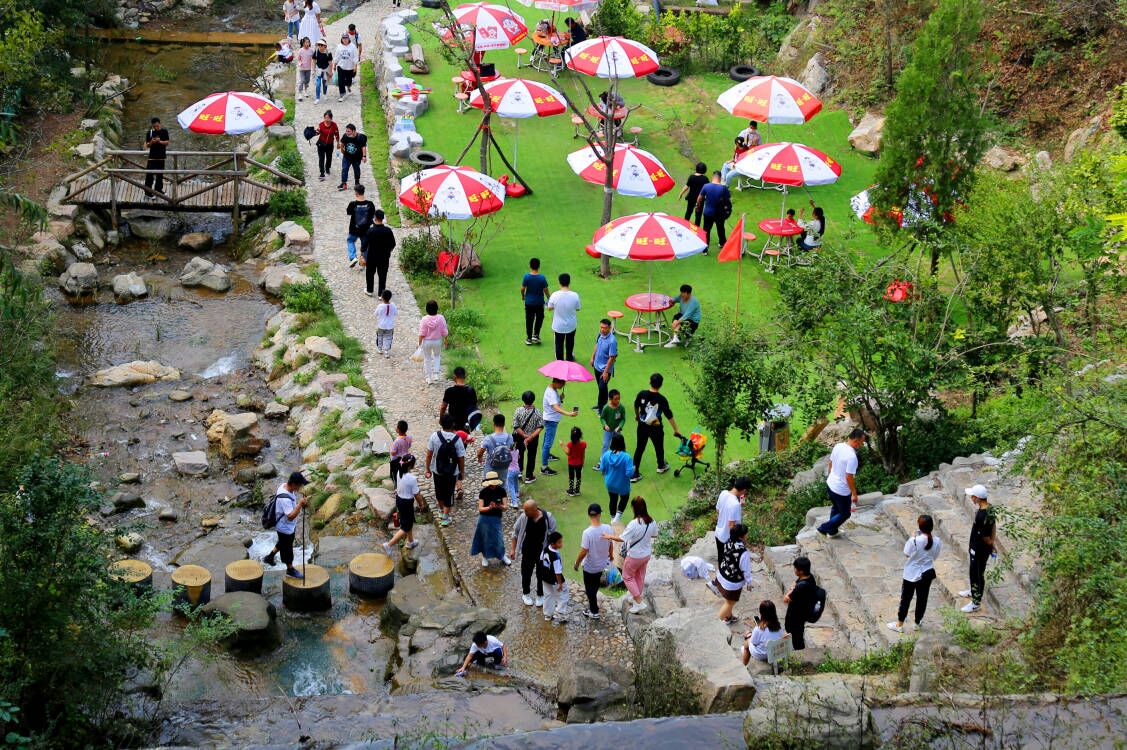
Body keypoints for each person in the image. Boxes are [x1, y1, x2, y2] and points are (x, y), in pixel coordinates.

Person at [603, 497, 658, 613]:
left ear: (634, 508)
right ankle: (636, 596)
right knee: (639, 575)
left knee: (627, 576)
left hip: (634, 555)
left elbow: (621, 538)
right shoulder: (652, 521)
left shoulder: (633, 524)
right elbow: (654, 535)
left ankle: (638, 602)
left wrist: (608, 536)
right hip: (646, 554)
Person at [888, 514, 942, 633]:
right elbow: (935, 556)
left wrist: (912, 538)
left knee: (906, 599)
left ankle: (899, 624)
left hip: (911, 574)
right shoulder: (937, 541)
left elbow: (907, 553)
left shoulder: (915, 541)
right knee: (922, 599)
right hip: (927, 573)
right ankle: (917, 623)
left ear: (920, 527)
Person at [631, 373, 680, 482]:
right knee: (659, 447)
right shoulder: (662, 399)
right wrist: (676, 430)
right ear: (661, 384)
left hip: (642, 426)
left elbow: (636, 405)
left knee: (639, 448)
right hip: (656, 428)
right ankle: (661, 466)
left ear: (650, 382)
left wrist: (637, 416)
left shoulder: (642, 394)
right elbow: (669, 415)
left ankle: (634, 473)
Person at [817, 428, 864, 537]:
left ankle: (832, 532)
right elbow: (849, 477)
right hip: (841, 490)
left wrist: (830, 477)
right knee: (845, 513)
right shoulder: (852, 457)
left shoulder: (838, 446)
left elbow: (830, 463)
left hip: (831, 484)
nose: (861, 444)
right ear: (856, 441)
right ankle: (823, 528)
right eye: (861, 442)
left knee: (836, 508)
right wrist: (854, 493)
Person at [263, 471, 310, 579]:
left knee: (283, 542)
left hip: (285, 526)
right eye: (299, 485)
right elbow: (290, 516)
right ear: (293, 484)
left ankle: (269, 557)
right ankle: (290, 569)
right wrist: (300, 504)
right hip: (285, 528)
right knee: (287, 549)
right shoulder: (285, 499)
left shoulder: (284, 486)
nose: (300, 487)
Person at [511, 500, 557, 606]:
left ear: (534, 510)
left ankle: (540, 595)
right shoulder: (524, 517)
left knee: (541, 574)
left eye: (526, 510)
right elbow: (515, 532)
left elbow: (554, 535)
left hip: (542, 551)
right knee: (526, 573)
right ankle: (525, 593)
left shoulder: (548, 517)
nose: (524, 512)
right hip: (527, 550)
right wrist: (513, 549)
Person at [573, 503, 614, 619]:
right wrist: (610, 556)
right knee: (595, 587)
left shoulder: (587, 533)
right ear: (600, 514)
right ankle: (592, 606)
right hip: (602, 565)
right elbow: (610, 544)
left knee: (589, 588)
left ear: (589, 515)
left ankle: (594, 611)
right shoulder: (607, 528)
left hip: (590, 567)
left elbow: (583, 551)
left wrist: (576, 563)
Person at [706, 523, 753, 624]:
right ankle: (716, 625)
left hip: (723, 574)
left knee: (728, 600)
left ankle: (728, 617)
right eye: (746, 533)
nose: (747, 535)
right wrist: (749, 583)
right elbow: (746, 570)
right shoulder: (743, 552)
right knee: (730, 603)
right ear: (742, 536)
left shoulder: (728, 541)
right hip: (732, 582)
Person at [959, 484, 995, 613]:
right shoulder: (990, 509)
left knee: (976, 574)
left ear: (978, 498)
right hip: (982, 548)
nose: (971, 499)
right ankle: (973, 591)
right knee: (978, 571)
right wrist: (993, 543)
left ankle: (975, 602)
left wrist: (990, 543)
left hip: (979, 549)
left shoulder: (982, 515)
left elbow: (985, 536)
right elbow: (993, 527)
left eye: (973, 497)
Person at [425, 413, 465, 526]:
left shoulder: (434, 436)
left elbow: (429, 454)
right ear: (453, 424)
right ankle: (446, 517)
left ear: (441, 423)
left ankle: (441, 511)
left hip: (437, 470)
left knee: (439, 491)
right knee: (449, 492)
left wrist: (427, 468)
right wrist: (462, 472)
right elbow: (461, 458)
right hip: (452, 472)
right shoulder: (457, 439)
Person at [383, 454, 424, 555]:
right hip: (407, 503)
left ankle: (410, 542)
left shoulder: (399, 472)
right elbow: (417, 494)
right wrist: (421, 504)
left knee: (407, 523)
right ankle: (389, 545)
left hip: (399, 500)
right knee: (405, 527)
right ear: (411, 465)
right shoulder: (412, 478)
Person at [471, 472, 511, 567]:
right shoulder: (483, 492)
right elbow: (480, 508)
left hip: (496, 518)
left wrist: (499, 506)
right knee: (485, 538)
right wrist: (489, 507)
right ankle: (485, 557)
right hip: (484, 518)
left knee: (498, 538)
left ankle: (502, 555)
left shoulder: (502, 491)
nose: (493, 486)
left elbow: (505, 507)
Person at [540, 377, 578, 476]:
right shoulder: (551, 392)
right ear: (557, 382)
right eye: (562, 384)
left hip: (550, 419)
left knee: (546, 441)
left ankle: (547, 455)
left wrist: (560, 399)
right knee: (548, 443)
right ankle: (544, 467)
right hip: (551, 420)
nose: (563, 386)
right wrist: (569, 414)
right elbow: (555, 407)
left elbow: (554, 403)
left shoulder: (553, 389)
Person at [783, 556, 817, 650]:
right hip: (803, 612)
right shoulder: (810, 577)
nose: (794, 570)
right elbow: (795, 583)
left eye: (795, 568)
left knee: (795, 636)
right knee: (798, 633)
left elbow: (785, 599)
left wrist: (791, 589)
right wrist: (793, 587)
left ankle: (799, 653)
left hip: (796, 615)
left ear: (801, 571)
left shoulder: (801, 586)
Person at [714, 476, 751, 561]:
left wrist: (742, 499)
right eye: (746, 491)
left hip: (718, 533)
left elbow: (718, 510)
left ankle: (721, 573)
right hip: (727, 539)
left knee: (721, 559)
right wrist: (740, 539)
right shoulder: (735, 504)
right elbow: (731, 526)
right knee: (729, 564)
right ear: (744, 490)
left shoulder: (723, 493)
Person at [600, 432, 634, 522]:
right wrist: (634, 468)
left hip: (610, 483)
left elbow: (602, 468)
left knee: (613, 499)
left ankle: (612, 518)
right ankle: (618, 516)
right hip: (622, 484)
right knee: (625, 497)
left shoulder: (606, 454)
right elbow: (629, 473)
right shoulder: (627, 457)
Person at [547, 273, 581, 361]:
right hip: (571, 325)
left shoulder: (554, 295)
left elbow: (549, 308)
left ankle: (559, 362)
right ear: (569, 282)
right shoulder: (575, 295)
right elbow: (578, 308)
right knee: (570, 343)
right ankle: (569, 359)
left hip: (558, 326)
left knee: (558, 344)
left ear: (559, 282)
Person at [512, 390, 543, 484]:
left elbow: (516, 426)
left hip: (520, 437)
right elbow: (540, 427)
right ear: (533, 400)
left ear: (523, 399)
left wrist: (524, 435)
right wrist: (530, 437)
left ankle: (519, 472)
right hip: (533, 438)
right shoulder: (537, 412)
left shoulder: (518, 411)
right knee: (531, 456)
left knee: (519, 453)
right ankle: (529, 476)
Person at [696, 171, 732, 250]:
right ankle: (722, 243)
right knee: (721, 229)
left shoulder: (706, 186)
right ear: (720, 178)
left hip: (708, 212)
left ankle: (705, 249)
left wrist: (697, 206)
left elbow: (699, 198)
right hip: (719, 213)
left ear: (713, 177)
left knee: (706, 230)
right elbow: (728, 201)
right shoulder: (724, 188)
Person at [742, 600, 786, 665]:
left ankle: (744, 664)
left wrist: (749, 636)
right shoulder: (778, 626)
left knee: (746, 643)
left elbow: (754, 643)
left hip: (761, 655)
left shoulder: (758, 629)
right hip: (774, 652)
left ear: (761, 614)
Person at [365, 210, 395, 298]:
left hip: (372, 257)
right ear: (383, 218)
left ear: (375, 218)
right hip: (384, 257)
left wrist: (363, 252)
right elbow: (393, 244)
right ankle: (381, 293)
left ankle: (369, 290)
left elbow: (365, 244)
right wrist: (388, 251)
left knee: (370, 273)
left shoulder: (370, 231)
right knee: (382, 275)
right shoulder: (388, 231)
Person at [539, 531, 568, 623]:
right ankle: (560, 613)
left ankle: (548, 615)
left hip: (545, 577)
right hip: (555, 580)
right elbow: (558, 571)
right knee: (563, 596)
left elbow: (540, 560)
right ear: (553, 543)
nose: (561, 544)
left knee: (548, 595)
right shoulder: (555, 556)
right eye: (559, 542)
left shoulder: (545, 549)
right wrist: (560, 583)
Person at [417, 300, 448, 385]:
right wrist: (445, 340)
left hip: (427, 341)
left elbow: (422, 333)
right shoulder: (441, 318)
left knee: (427, 359)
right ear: (437, 308)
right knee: (437, 356)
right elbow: (444, 330)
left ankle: (428, 378)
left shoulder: (424, 319)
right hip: (437, 341)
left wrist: (419, 343)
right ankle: (436, 374)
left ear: (426, 309)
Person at [590, 318, 617, 412]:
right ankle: (600, 404)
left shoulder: (612, 341)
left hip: (605, 369)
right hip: (597, 366)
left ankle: (602, 408)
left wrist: (605, 372)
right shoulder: (600, 335)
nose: (602, 329)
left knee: (602, 387)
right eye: (601, 327)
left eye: (605, 328)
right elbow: (596, 345)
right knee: (601, 388)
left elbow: (612, 357)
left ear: (609, 328)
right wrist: (592, 358)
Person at [441, 367, 481, 433]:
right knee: (463, 442)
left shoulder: (449, 391)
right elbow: (474, 408)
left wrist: (441, 419)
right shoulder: (471, 391)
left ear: (454, 376)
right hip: (466, 424)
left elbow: (443, 407)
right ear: (465, 376)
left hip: (452, 424)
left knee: (452, 441)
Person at [520, 257, 550, 346]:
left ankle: (529, 338)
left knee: (529, 319)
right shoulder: (542, 278)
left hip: (529, 303)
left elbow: (522, 288)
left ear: (530, 266)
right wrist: (549, 298)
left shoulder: (527, 277)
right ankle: (536, 335)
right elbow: (546, 290)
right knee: (539, 318)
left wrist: (523, 296)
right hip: (539, 302)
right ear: (539, 266)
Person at [345, 183, 375, 268]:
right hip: (365, 229)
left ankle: (353, 257)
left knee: (350, 241)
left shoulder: (353, 204)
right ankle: (364, 261)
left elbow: (348, 212)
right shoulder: (370, 204)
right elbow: (372, 215)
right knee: (365, 245)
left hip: (354, 228)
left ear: (356, 193)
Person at [477, 413, 515, 481]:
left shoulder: (488, 438)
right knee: (502, 487)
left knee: (489, 487)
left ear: (494, 424)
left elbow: (480, 452)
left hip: (491, 469)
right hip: (504, 469)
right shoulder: (510, 438)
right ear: (504, 424)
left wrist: (480, 458)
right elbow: (511, 451)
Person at [595, 389, 625, 472]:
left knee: (618, 446)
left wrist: (619, 426)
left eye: (619, 398)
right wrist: (605, 425)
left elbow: (623, 419)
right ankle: (602, 461)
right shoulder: (606, 408)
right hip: (608, 431)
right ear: (610, 399)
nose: (618, 400)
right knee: (605, 445)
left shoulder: (621, 407)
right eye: (616, 399)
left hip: (617, 431)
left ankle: (618, 461)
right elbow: (602, 418)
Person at [143, 117, 169, 198]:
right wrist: (152, 142)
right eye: (154, 126)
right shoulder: (149, 133)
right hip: (152, 157)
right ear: (152, 125)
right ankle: (148, 193)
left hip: (161, 157)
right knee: (149, 176)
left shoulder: (164, 131)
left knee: (160, 176)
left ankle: (158, 190)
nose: (156, 128)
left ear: (159, 124)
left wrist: (159, 141)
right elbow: (147, 145)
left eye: (157, 126)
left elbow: (167, 142)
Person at [338, 123, 367, 190]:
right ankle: (344, 183)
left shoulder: (360, 137)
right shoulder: (345, 136)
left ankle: (357, 182)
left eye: (349, 131)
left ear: (354, 131)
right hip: (347, 157)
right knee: (344, 169)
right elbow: (342, 143)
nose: (347, 133)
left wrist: (364, 156)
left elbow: (363, 147)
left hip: (356, 158)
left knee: (356, 169)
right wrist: (342, 150)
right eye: (346, 131)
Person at [332, 33, 358, 102]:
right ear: (342, 39)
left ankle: (349, 86)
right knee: (341, 81)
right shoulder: (339, 46)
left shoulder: (353, 46)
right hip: (341, 66)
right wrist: (334, 64)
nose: (345, 39)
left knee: (349, 81)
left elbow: (355, 57)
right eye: (343, 38)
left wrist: (355, 66)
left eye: (346, 38)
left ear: (348, 38)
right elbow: (337, 56)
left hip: (350, 67)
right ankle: (342, 94)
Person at [561, 426, 586, 497]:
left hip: (571, 463)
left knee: (571, 477)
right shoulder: (583, 444)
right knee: (578, 476)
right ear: (580, 435)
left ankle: (571, 491)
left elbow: (568, 453)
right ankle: (577, 490)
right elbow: (583, 454)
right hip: (580, 463)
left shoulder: (569, 444)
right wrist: (583, 462)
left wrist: (562, 445)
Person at [314, 107, 338, 179]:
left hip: (330, 144)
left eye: (328, 118)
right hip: (321, 144)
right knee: (321, 158)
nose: (326, 119)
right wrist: (313, 133)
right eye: (325, 118)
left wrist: (338, 142)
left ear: (331, 118)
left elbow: (336, 134)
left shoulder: (334, 125)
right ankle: (322, 173)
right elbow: (318, 132)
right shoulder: (321, 124)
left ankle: (327, 168)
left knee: (329, 157)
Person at [374, 289, 397, 358]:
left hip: (381, 325)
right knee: (389, 338)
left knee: (379, 336)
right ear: (390, 297)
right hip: (390, 326)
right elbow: (396, 313)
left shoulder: (380, 306)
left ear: (382, 297)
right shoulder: (393, 305)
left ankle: (379, 349)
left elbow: (375, 314)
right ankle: (386, 351)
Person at [388, 419, 411, 485]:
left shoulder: (396, 441)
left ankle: (398, 488)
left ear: (398, 430)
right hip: (404, 459)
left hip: (396, 461)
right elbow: (409, 446)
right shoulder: (409, 438)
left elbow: (393, 452)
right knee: (403, 473)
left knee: (396, 475)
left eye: (397, 427)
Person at [312, 39, 333, 105]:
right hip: (318, 70)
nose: (320, 46)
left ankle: (324, 94)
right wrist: (313, 70)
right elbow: (314, 61)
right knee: (318, 84)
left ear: (325, 46)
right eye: (319, 45)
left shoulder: (328, 53)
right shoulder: (316, 51)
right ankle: (317, 98)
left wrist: (330, 72)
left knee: (325, 83)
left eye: (321, 45)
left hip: (326, 70)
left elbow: (330, 63)